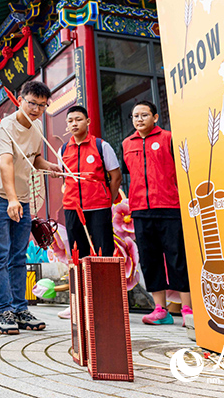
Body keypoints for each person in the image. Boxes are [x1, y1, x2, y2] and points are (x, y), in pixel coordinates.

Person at [0, 80, 60, 335]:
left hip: (20, 198)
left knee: (18, 257)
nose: (35, 109)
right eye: (31, 103)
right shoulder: (5, 128)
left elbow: (33, 158)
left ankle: (20, 309)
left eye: (41, 105)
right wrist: (12, 200)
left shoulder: (36, 128)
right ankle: (4, 311)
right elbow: (6, 163)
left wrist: (50, 167)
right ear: (21, 99)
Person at [121, 100, 192, 326]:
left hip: (170, 207)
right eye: (135, 116)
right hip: (141, 211)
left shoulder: (169, 139)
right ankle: (160, 310)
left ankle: (188, 309)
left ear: (156, 117)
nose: (139, 119)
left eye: (144, 115)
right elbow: (127, 175)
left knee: (176, 257)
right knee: (150, 261)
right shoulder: (126, 144)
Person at [56, 105, 122, 320]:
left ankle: (106, 302)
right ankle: (78, 303)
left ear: (88, 121)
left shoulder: (102, 146)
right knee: (77, 255)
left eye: (78, 119)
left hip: (99, 207)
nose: (74, 124)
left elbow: (115, 176)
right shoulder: (63, 149)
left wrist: (107, 199)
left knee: (104, 253)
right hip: (73, 208)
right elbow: (64, 180)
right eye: (70, 121)